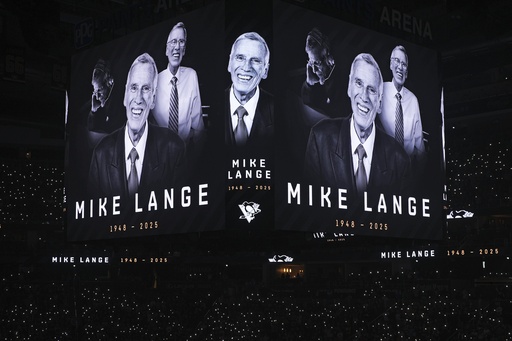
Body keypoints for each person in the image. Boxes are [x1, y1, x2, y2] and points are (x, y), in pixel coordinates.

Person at [304, 53, 411, 202]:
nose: (364, 96)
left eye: (372, 90)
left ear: (380, 102)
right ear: (349, 87)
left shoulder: (399, 160)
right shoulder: (320, 138)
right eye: (359, 83)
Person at [88, 53, 185, 201]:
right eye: (133, 88)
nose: (138, 98)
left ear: (153, 98)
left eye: (145, 89)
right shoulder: (101, 154)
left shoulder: (174, 149)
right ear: (125, 95)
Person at [152, 22, 204, 147]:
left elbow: (198, 126)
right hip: (160, 151)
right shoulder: (155, 81)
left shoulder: (191, 75)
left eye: (181, 42)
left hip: (184, 150)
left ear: (184, 50)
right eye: (173, 42)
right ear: (166, 50)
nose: (177, 47)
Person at [225, 32, 274, 148]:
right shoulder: (214, 105)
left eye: (255, 60)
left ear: (265, 70)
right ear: (229, 63)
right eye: (240, 58)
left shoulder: (281, 110)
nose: (246, 67)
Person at [378, 45, 425, 163]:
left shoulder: (413, 101)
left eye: (404, 64)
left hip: (407, 171)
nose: (400, 67)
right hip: (383, 168)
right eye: (397, 61)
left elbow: (420, 147)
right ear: (390, 65)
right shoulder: (380, 91)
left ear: (407, 72)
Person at [301, 28, 345, 119]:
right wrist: (309, 85)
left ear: (329, 59)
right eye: (311, 63)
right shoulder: (317, 76)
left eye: (316, 63)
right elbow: (306, 104)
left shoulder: (344, 77)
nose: (313, 70)